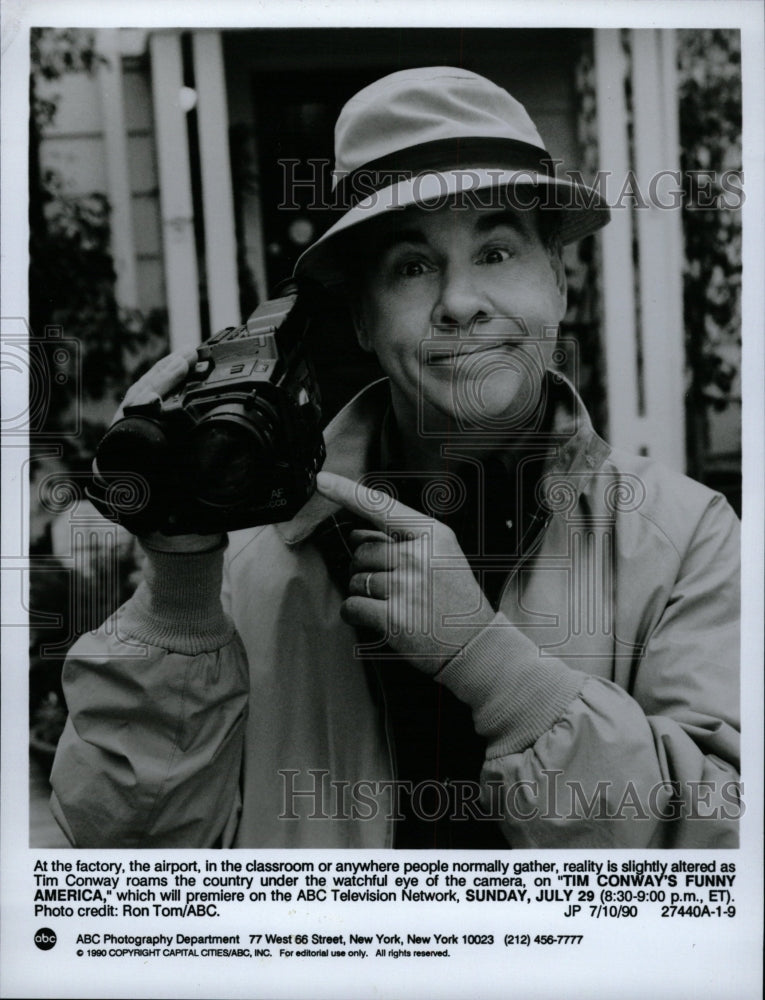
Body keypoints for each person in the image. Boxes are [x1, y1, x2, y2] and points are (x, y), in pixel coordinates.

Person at [50, 66, 740, 849]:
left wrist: (490, 665)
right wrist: (179, 582)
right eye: (411, 267)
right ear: (360, 318)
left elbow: (725, 847)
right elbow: (126, 857)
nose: (458, 302)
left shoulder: (685, 538)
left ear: (557, 281)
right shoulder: (245, 559)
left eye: (498, 252)